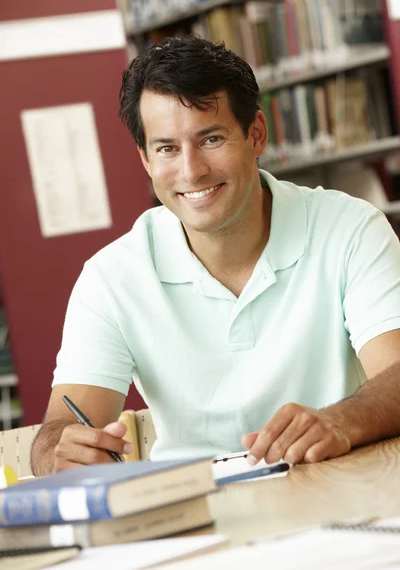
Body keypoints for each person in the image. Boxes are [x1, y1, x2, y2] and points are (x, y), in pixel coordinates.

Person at [31, 35, 400, 476]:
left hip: (336, 484)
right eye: (167, 148)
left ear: (255, 135)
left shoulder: (350, 229)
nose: (191, 170)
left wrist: (341, 421)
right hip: (195, 510)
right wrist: (59, 451)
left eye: (210, 139)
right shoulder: (110, 277)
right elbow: (59, 427)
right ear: (146, 161)